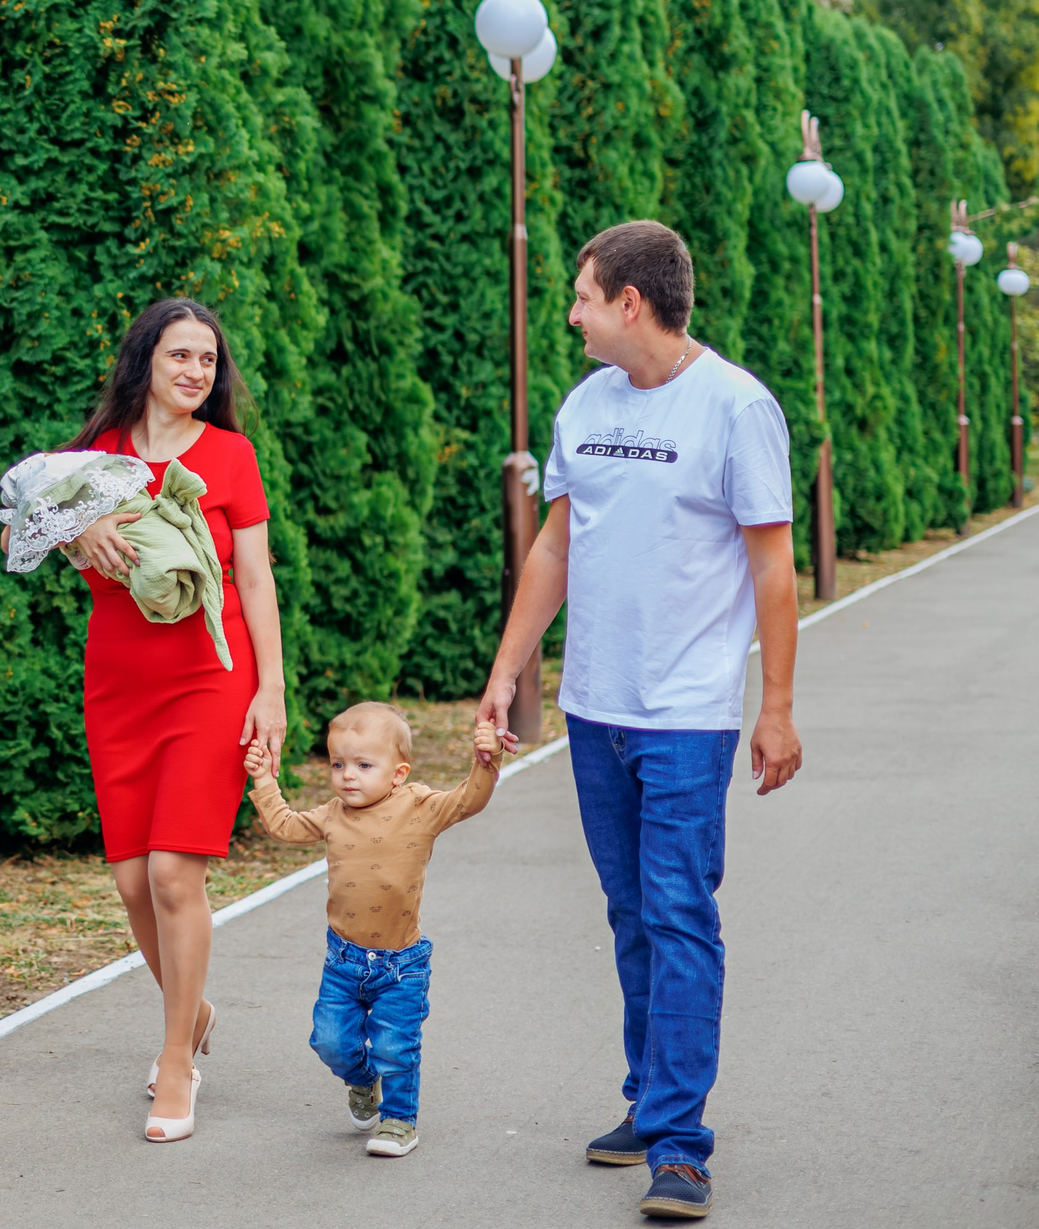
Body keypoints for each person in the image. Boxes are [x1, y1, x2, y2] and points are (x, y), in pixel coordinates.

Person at [477, 220, 803, 1222]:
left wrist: (776, 708)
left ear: (629, 302)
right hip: (594, 710)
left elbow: (772, 569)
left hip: (687, 716)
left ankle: (680, 1144)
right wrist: (505, 672)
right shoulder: (586, 404)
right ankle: (649, 1100)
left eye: (581, 296)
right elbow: (553, 553)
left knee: (676, 915)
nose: (569, 313)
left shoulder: (736, 408)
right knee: (630, 917)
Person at [52, 298, 287, 1145]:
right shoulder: (95, 457)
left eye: (209, 360)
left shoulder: (231, 455)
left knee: (173, 875)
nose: (196, 371)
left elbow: (255, 581)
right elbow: (31, 533)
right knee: (129, 883)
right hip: (118, 683)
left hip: (212, 679)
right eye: (181, 355)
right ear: (145, 360)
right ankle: (195, 1008)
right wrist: (85, 525)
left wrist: (274, 691)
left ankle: (176, 1059)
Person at [242, 705, 500, 1158]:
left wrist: (487, 761)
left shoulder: (419, 807)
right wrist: (264, 782)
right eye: (338, 764)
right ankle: (362, 1079)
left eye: (364, 765)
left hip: (402, 963)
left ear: (398, 773)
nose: (348, 776)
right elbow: (283, 825)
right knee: (329, 1040)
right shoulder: (332, 813)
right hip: (343, 959)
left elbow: (468, 800)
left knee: (395, 1046)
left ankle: (400, 1121)